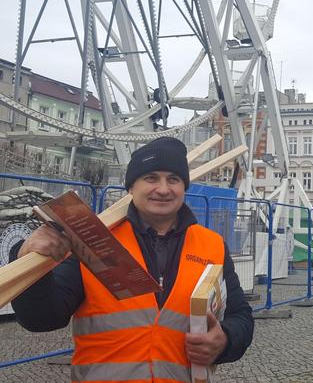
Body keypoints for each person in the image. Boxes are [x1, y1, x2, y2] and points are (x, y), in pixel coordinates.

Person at [10, 137, 254, 382]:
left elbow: (240, 316)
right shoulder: (93, 242)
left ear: (184, 187)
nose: (163, 188)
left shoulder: (212, 245)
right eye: (151, 178)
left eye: (174, 179)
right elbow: (41, 318)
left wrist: (225, 339)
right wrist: (30, 259)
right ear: (130, 188)